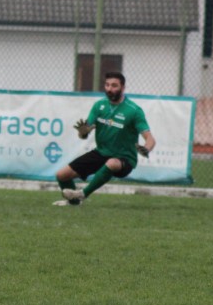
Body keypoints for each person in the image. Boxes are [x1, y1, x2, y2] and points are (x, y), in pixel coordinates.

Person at [53, 71, 155, 206]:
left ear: (123, 88)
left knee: (112, 163)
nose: (109, 89)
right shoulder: (99, 106)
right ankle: (74, 203)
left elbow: (150, 138)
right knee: (61, 175)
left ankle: (82, 194)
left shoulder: (134, 110)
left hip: (124, 158)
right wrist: (83, 132)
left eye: (114, 86)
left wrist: (146, 149)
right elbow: (85, 132)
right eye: (107, 85)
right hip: (101, 153)